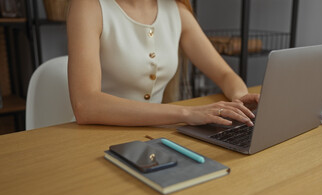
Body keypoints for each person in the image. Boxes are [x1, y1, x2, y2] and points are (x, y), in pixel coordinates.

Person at [66, 0, 259, 127]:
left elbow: (225, 74)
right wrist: (185, 113)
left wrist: (240, 98)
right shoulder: (88, 6)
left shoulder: (176, 10)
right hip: (96, 137)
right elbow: (85, 104)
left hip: (153, 136)